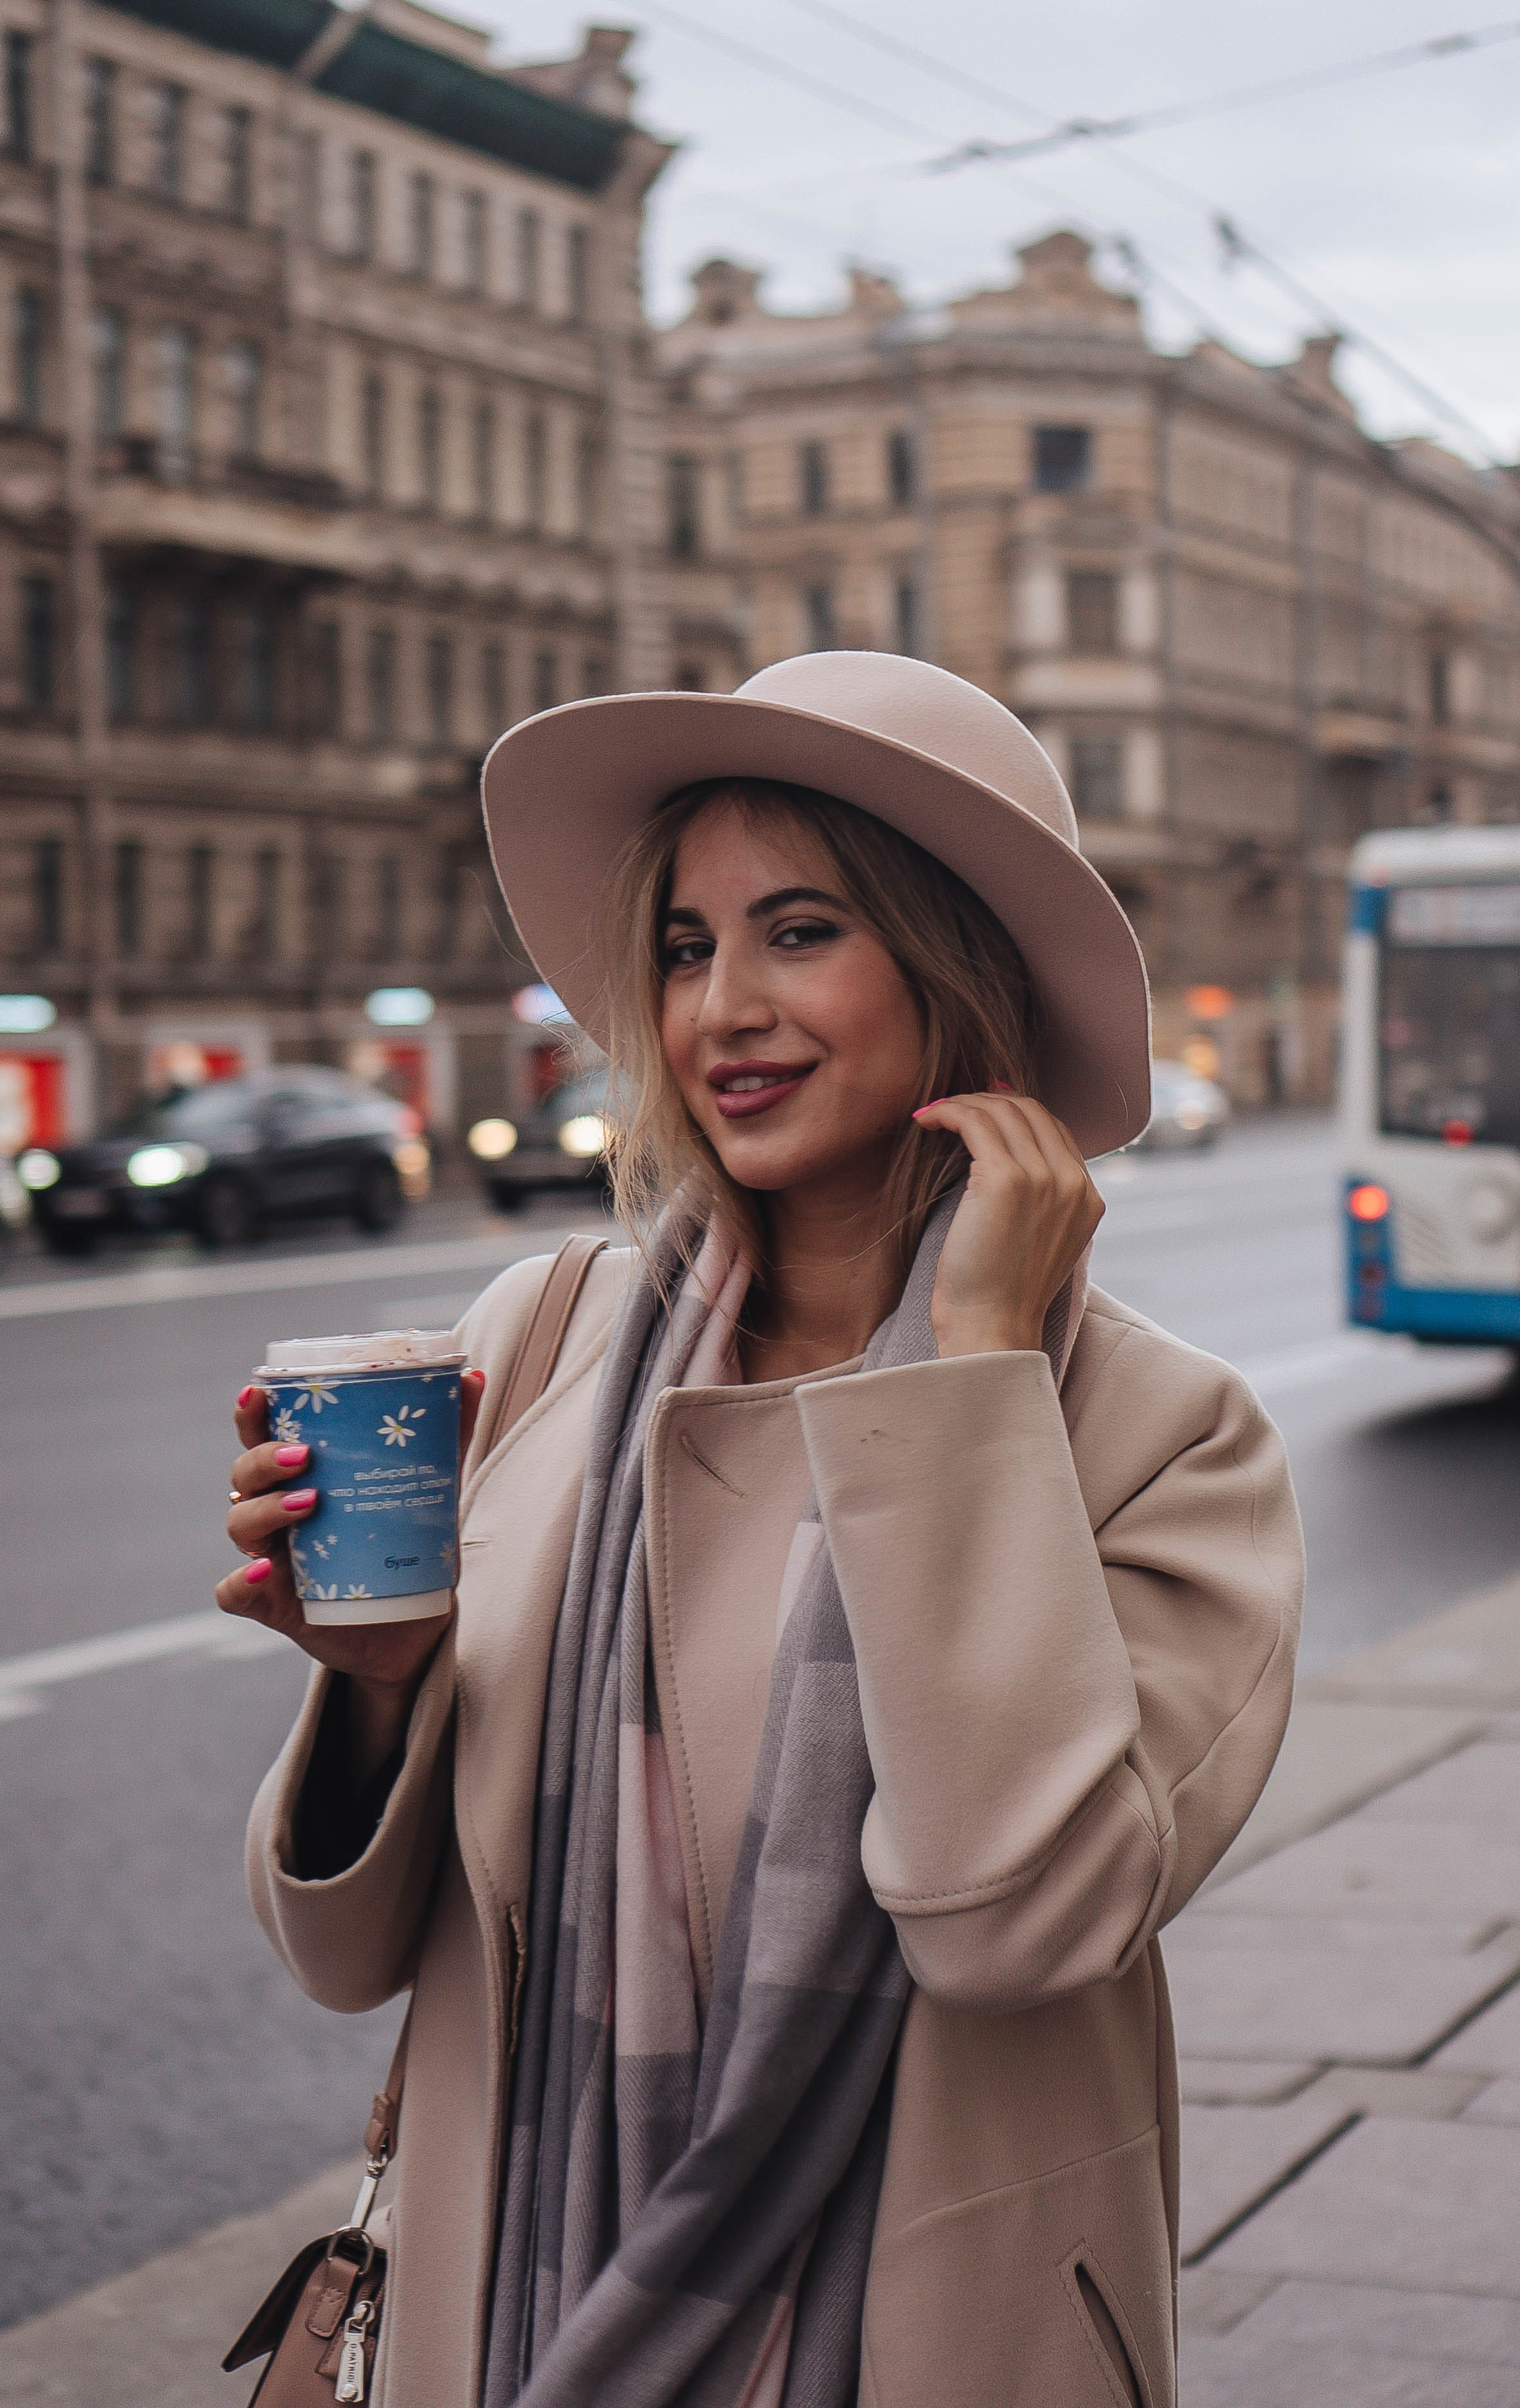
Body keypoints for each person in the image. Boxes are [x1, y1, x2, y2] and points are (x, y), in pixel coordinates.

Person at [219, 651, 1303, 2408]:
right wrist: (372, 1689)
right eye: (686, 944)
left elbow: (1018, 1925)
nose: (722, 1007)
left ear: (967, 971)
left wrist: (970, 1382)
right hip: (512, 2317)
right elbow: (348, 1961)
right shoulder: (536, 1342)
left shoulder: (1165, 1436)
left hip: (916, 2343)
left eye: (802, 932)